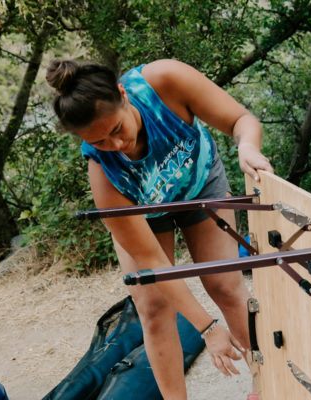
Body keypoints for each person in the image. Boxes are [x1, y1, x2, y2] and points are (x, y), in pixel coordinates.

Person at [46, 58, 273, 400]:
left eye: (117, 129)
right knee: (152, 308)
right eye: (100, 142)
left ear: (123, 94)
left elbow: (241, 120)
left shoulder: (165, 82)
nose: (116, 146)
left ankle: (268, 386)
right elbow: (153, 263)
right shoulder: (103, 173)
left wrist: (247, 147)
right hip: (143, 210)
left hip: (199, 183)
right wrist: (207, 329)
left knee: (225, 285)